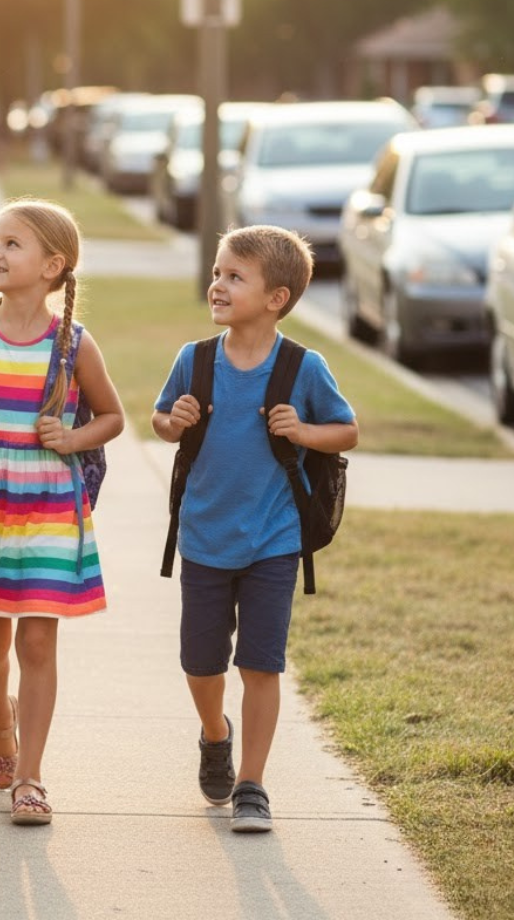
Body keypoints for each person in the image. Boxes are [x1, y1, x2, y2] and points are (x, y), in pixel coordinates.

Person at [151, 224, 358, 833]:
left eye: (234, 277)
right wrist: (173, 419)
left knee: (261, 664)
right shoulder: (196, 360)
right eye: (217, 273)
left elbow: (345, 431)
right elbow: (163, 421)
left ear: (277, 298)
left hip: (274, 539)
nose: (217, 285)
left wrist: (303, 431)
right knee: (200, 663)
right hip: (206, 537)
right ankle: (216, 735)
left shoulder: (304, 367)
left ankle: (252, 785)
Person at [0, 199, 124, 826]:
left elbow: (113, 417)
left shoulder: (74, 345)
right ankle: (0, 722)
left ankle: (31, 777)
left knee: (38, 639)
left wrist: (72, 438)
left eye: (13, 243)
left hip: (48, 507)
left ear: (52, 266)